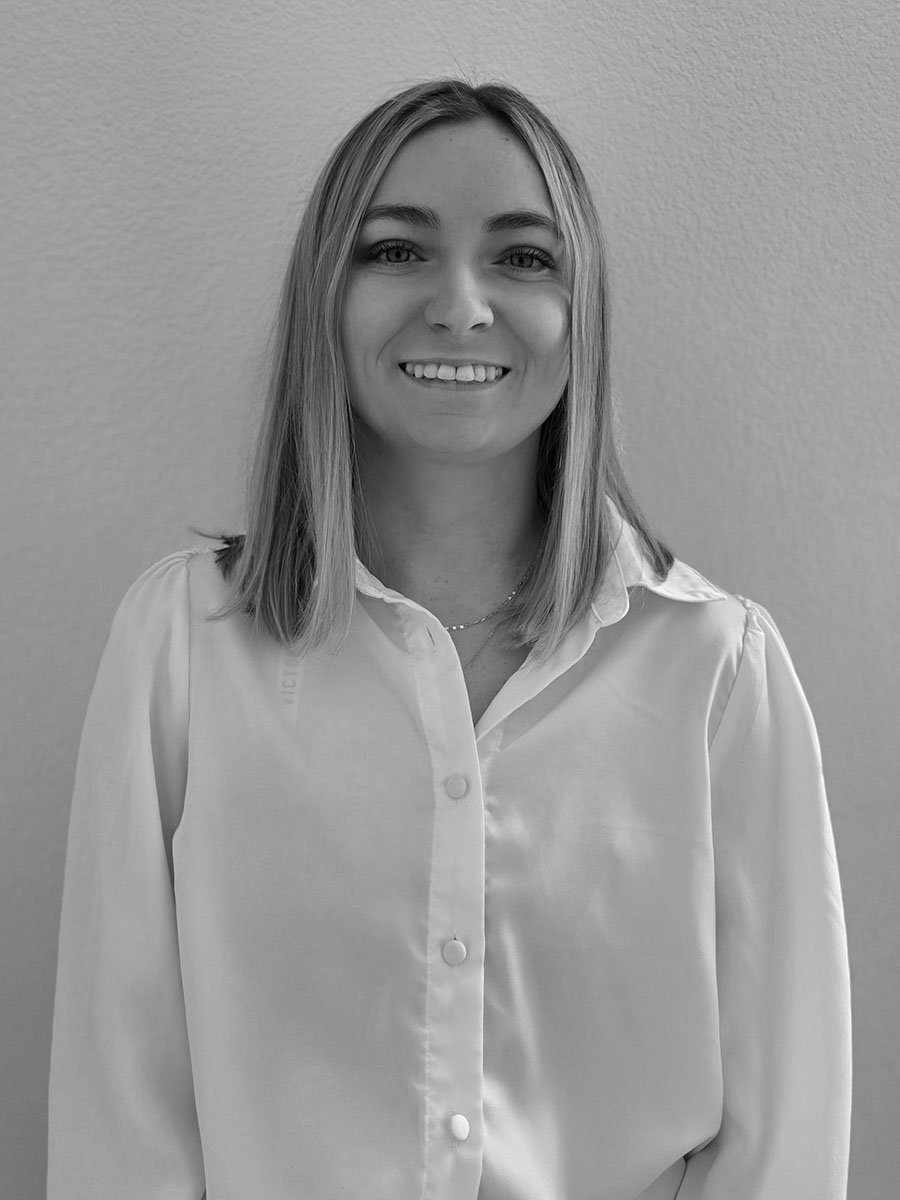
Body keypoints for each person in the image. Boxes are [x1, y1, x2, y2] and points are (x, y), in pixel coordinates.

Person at [47, 77, 852, 1199]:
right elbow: (120, 1115)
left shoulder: (719, 672)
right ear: (327, 294)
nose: (462, 306)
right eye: (396, 250)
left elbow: (783, 1140)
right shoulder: (183, 648)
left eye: (524, 258)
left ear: (585, 313)